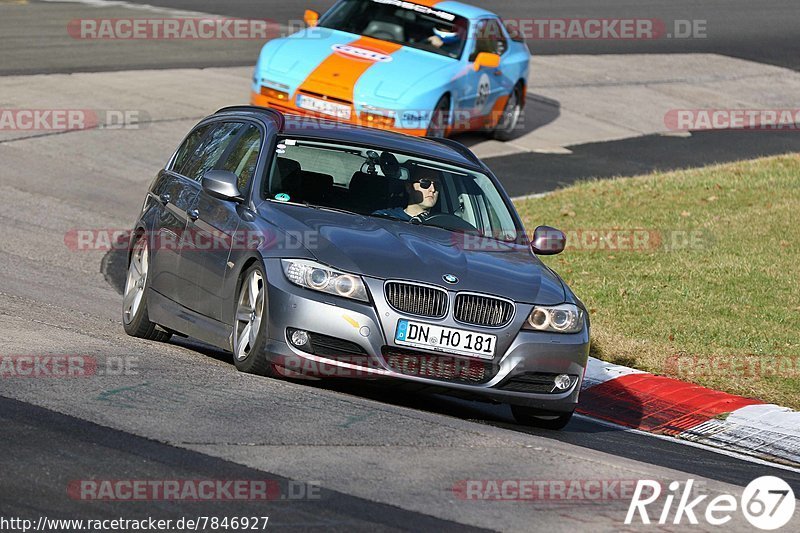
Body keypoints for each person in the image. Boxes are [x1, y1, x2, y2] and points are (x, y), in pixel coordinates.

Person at [373, 167, 440, 222]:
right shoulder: (384, 218)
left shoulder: (443, 225)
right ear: (409, 188)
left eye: (437, 185)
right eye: (425, 183)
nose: (433, 189)